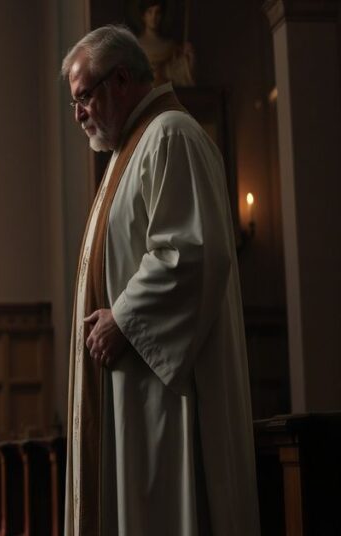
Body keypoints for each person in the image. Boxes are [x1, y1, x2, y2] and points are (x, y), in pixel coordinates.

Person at [60, 25, 259, 535]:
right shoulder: (131, 150)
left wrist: (122, 320)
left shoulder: (169, 135)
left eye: (83, 98)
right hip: (134, 389)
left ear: (120, 80)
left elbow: (191, 253)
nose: (78, 114)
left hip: (163, 398)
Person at [135, 0, 195, 86]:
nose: (154, 17)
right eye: (150, 12)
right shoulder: (134, 46)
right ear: (143, 15)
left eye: (157, 12)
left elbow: (181, 78)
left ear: (162, 15)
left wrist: (187, 59)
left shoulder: (170, 47)